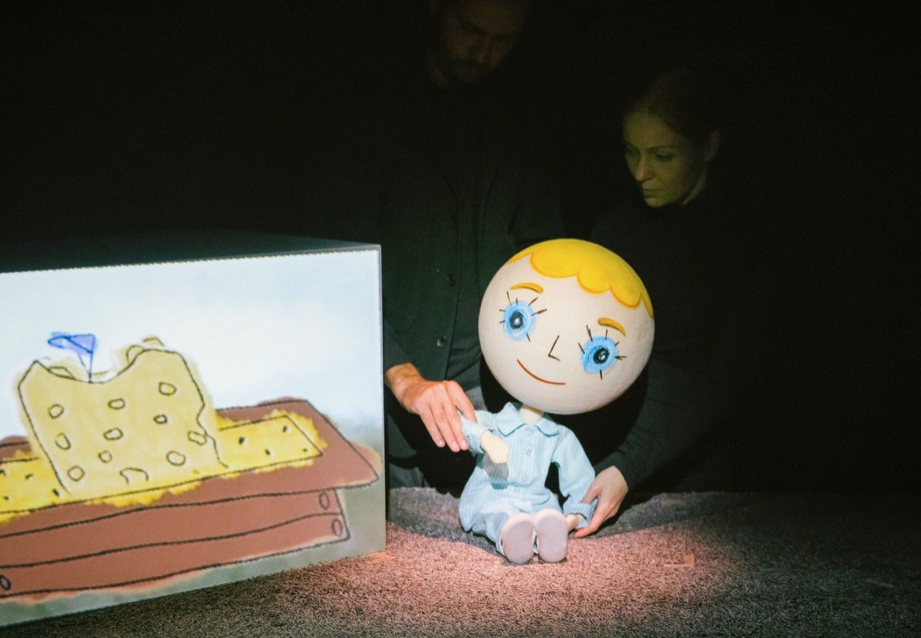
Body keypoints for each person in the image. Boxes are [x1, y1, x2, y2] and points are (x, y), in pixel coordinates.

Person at [293, 0, 564, 489]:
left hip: (489, 404)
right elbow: (332, 270)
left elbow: (541, 253)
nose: (484, 53)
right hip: (387, 413)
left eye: (503, 41)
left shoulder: (521, 117)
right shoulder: (368, 108)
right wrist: (403, 377)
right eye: (471, 30)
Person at [577, 64, 750, 536]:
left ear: (708, 147)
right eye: (631, 152)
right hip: (607, 463)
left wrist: (629, 465)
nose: (640, 173)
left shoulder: (740, 242)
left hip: (693, 480)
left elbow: (724, 380)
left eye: (662, 156)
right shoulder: (614, 229)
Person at [458, 238, 654, 563]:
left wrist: (574, 514)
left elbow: (579, 479)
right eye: (519, 319)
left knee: (547, 512)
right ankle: (510, 535)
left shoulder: (559, 436)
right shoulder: (496, 422)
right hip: (490, 495)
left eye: (598, 353)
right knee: (498, 513)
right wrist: (486, 439)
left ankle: (547, 537)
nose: (552, 355)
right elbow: (464, 426)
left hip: (536, 501)